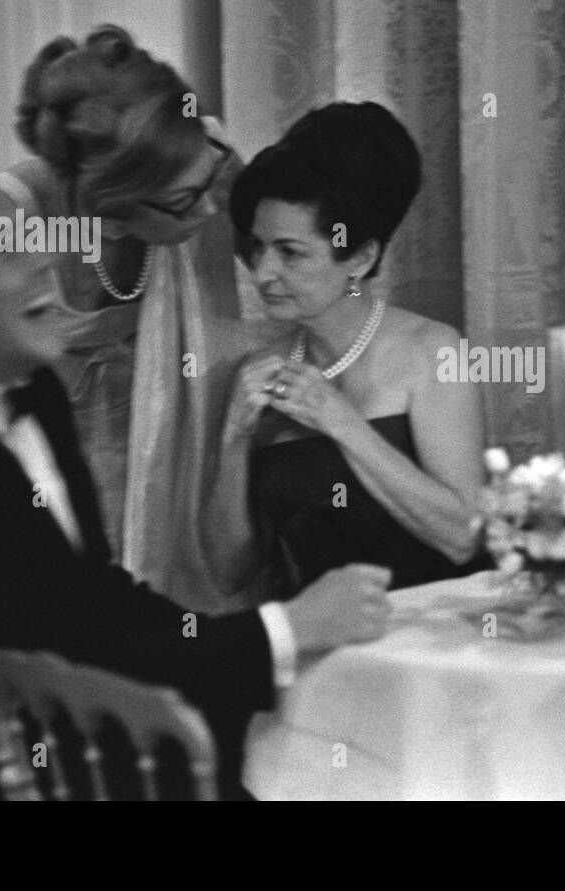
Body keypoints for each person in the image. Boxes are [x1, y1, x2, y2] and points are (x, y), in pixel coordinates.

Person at [0, 147, 392, 800]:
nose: (44, 258)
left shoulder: (34, 391)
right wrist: (283, 630)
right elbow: (61, 650)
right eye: (2, 248)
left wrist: (261, 632)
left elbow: (92, 598)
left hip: (95, 755)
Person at [0, 24, 252, 612]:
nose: (211, 207)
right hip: (55, 448)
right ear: (113, 202)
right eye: (187, 202)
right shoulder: (16, 219)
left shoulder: (201, 153)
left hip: (169, 422)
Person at [202, 102, 484, 600]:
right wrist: (233, 436)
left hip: (439, 641)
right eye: (256, 247)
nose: (263, 272)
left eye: (290, 252)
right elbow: (229, 571)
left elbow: (463, 537)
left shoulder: (433, 351)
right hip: (319, 647)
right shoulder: (257, 372)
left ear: (360, 257)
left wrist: (339, 419)